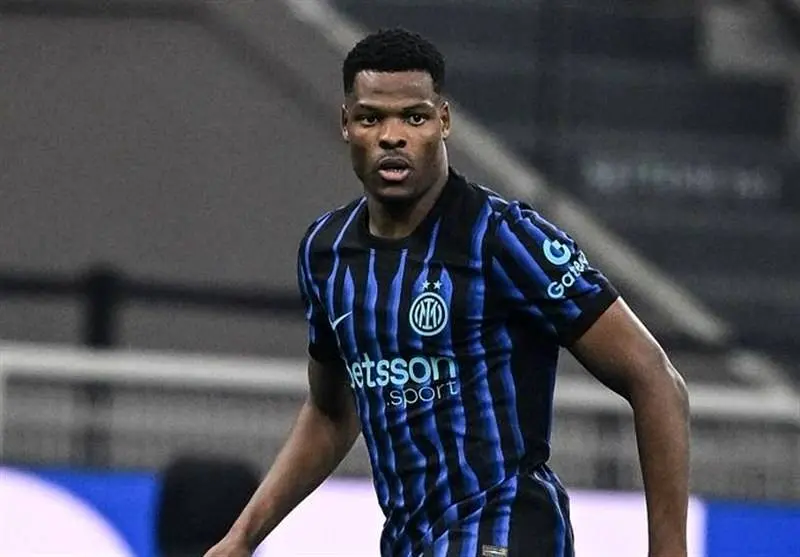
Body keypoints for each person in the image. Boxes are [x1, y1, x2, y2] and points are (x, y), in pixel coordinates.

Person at [204, 28, 690, 557]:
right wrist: (242, 536)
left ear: (444, 121)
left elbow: (655, 379)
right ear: (345, 124)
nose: (392, 136)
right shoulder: (327, 253)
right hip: (410, 540)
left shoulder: (504, 238)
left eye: (414, 117)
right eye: (371, 118)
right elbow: (331, 413)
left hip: (508, 525)